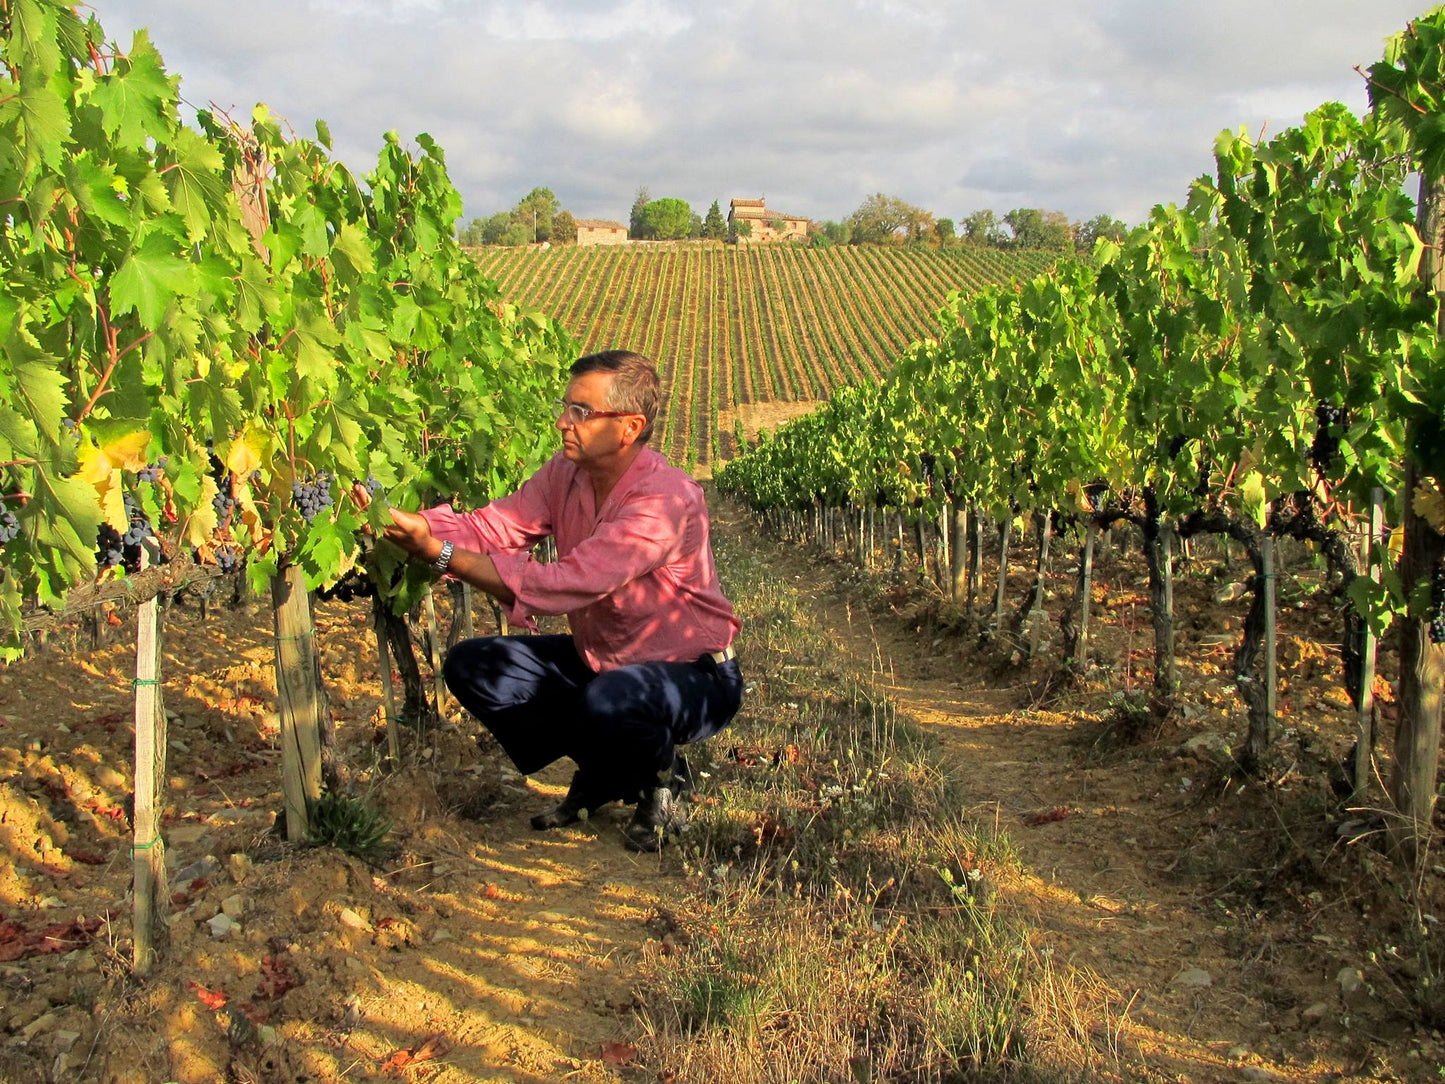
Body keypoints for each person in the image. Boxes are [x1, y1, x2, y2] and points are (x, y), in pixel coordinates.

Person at [356, 349, 743, 851]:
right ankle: (612, 772)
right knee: (476, 667)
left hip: (694, 675)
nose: (564, 422)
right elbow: (495, 527)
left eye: (581, 412)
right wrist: (423, 526)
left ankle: (663, 783)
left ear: (630, 426)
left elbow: (569, 582)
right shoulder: (565, 474)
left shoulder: (666, 502)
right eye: (566, 407)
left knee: (612, 700)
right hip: (604, 659)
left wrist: (442, 555)